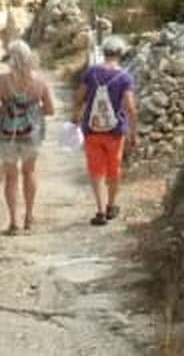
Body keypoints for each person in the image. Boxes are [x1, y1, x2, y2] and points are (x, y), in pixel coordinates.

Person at [0, 40, 55, 235]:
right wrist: (32, 114)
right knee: (29, 172)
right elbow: (50, 110)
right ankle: (29, 217)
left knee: (10, 176)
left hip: (7, 135)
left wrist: (5, 115)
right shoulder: (40, 82)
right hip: (31, 134)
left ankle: (14, 222)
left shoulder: (2, 80)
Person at [72, 35, 138, 226]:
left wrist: (76, 115)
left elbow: (79, 97)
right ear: (120, 54)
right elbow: (130, 107)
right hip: (115, 131)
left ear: (104, 52)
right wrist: (133, 132)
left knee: (96, 170)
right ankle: (111, 205)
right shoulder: (125, 77)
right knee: (113, 169)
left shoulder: (91, 73)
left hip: (92, 129)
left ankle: (100, 211)